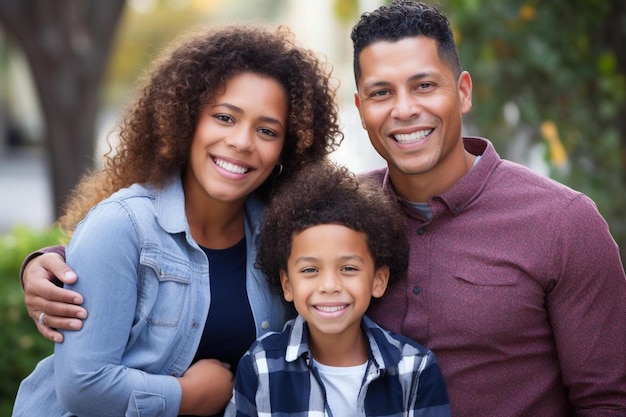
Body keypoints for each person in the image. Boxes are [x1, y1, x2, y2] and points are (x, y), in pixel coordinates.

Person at [18, 1, 626, 416]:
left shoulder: (563, 224)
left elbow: (608, 400)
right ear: (361, 108)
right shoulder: (337, 215)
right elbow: (150, 245)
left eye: (425, 85)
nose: (405, 110)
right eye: (383, 93)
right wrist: (51, 263)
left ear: (461, 91)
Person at [12, 23, 342, 417]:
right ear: (186, 120)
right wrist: (187, 396)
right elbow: (83, 386)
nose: (241, 142)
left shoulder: (281, 238)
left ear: (285, 150)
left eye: (267, 130)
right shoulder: (121, 227)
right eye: (224, 117)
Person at [223, 161, 451, 417]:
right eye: (310, 270)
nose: (329, 286)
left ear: (378, 279)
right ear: (287, 284)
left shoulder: (415, 370)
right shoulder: (260, 365)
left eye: (348, 269)